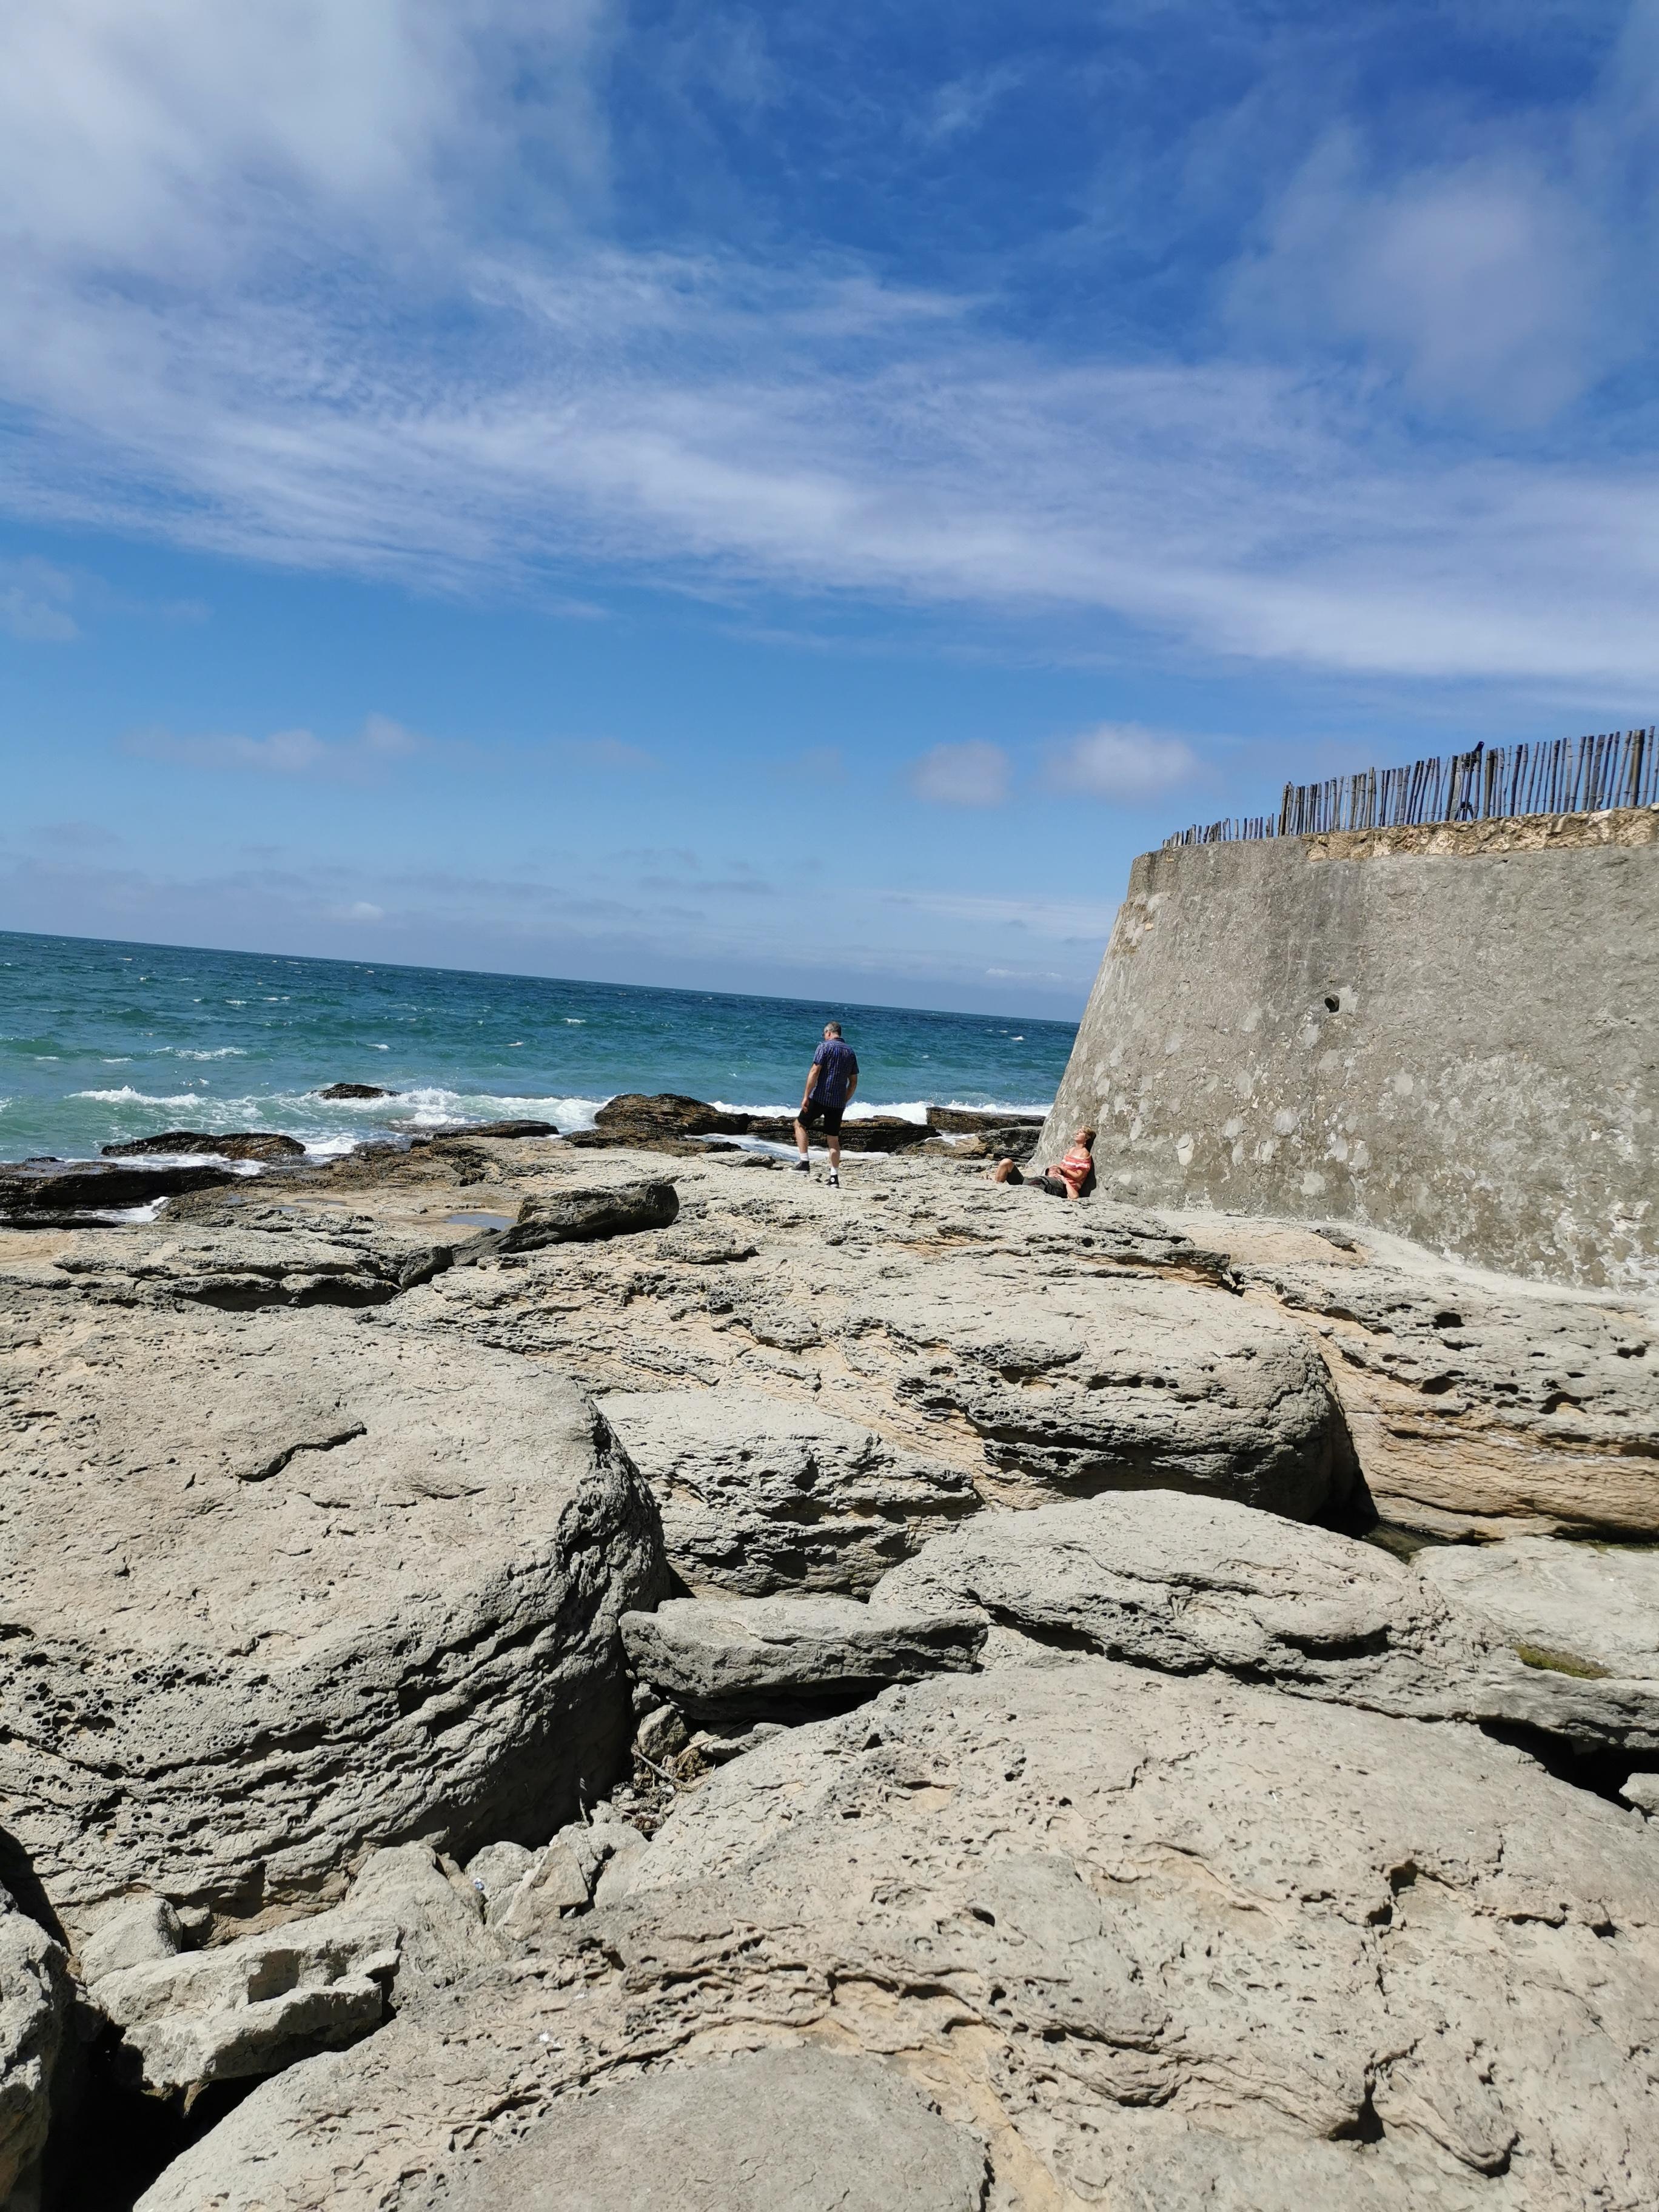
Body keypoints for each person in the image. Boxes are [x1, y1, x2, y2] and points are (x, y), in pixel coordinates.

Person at [793, 1022, 859, 1185]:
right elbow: (853, 1083)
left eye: (824, 1034)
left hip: (820, 1097)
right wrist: (845, 1099)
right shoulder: (850, 1052)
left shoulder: (824, 1047)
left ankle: (804, 1163)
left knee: (800, 1124)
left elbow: (815, 1071)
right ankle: (834, 1178)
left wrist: (806, 1096)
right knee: (833, 1139)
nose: (824, 1037)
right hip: (838, 1102)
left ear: (829, 1032)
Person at [991, 1126, 1095, 1199]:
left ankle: (1000, 1193)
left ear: (1087, 1138)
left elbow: (1078, 1177)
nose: (1077, 1133)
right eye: (1078, 1131)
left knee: (1028, 1188)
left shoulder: (1084, 1154)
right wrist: (1055, 1169)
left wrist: (1061, 1170)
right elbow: (1061, 1168)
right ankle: (996, 1189)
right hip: (1043, 1180)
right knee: (1006, 1162)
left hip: (1058, 1185)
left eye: (1081, 1132)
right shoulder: (1071, 1150)